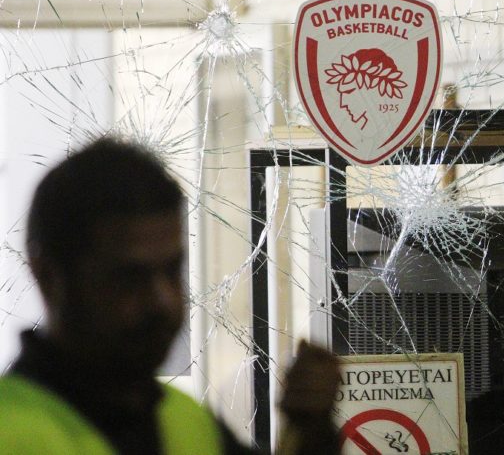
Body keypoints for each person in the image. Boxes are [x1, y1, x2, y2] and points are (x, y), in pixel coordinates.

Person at [0, 138, 340, 455]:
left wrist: (310, 429)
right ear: (49, 276)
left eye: (172, 270)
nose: (161, 301)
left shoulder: (184, 420)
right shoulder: (13, 433)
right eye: (130, 278)